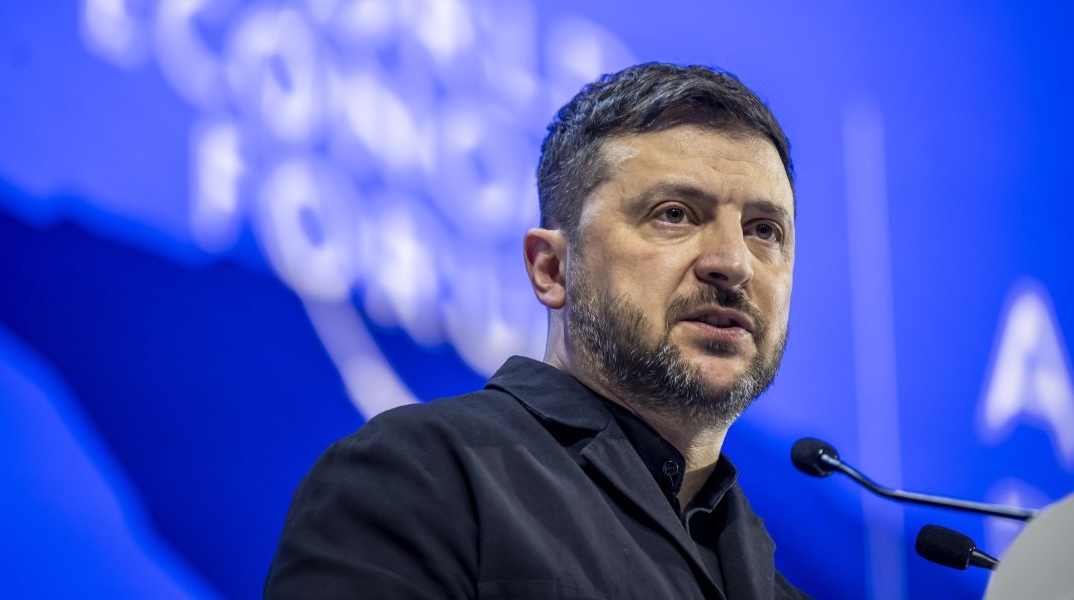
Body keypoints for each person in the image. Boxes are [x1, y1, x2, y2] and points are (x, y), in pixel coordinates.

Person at [265, 63, 809, 599]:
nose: (733, 263)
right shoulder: (418, 474)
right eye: (674, 214)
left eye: (764, 230)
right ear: (552, 269)